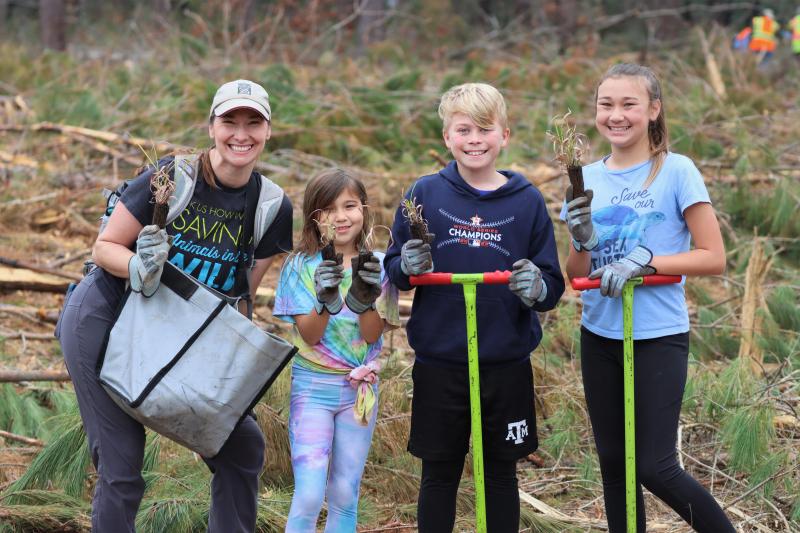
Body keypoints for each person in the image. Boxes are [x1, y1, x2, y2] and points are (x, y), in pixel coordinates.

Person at [56, 79, 293, 532]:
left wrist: (224, 391)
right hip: (106, 316)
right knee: (123, 464)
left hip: (175, 334)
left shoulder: (271, 207)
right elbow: (105, 248)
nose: (240, 134)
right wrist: (139, 268)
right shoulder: (172, 178)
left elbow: (238, 303)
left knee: (241, 446)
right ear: (211, 127)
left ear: (267, 132)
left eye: (253, 123)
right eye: (229, 121)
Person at [384, 83, 565, 532]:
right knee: (439, 471)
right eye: (463, 129)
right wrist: (405, 264)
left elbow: (553, 283)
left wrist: (535, 287)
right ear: (447, 137)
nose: (475, 139)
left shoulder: (527, 201)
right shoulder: (424, 193)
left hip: (504, 361)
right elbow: (395, 268)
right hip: (440, 360)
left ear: (505, 134)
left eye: (485, 129)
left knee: (500, 472)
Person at [562, 63, 734, 533]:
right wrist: (580, 240)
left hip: (657, 336)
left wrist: (646, 261)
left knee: (655, 465)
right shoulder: (585, 180)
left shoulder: (676, 170)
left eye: (629, 104)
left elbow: (712, 256)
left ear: (654, 110)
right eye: (606, 104)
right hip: (599, 336)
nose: (616, 115)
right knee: (616, 468)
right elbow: (575, 275)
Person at [273, 168, 400, 532]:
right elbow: (310, 336)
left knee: (345, 492)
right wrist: (325, 301)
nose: (340, 217)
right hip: (313, 388)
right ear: (314, 217)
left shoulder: (379, 266)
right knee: (310, 494)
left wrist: (363, 301)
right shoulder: (299, 266)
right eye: (328, 209)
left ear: (364, 209)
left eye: (349, 205)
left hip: (359, 390)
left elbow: (375, 331)